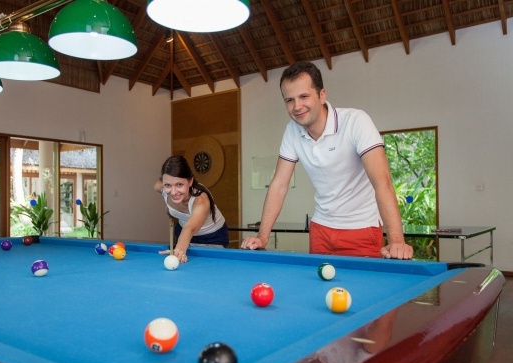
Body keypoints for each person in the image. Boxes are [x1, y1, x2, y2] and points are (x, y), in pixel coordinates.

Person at [241, 61, 413, 259]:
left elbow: (382, 183)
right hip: (320, 229)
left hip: (361, 229)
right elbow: (279, 185)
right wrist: (262, 237)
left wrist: (396, 241)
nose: (297, 106)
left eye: (304, 96)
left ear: (322, 95)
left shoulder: (356, 121)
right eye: (289, 100)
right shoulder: (292, 130)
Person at [155, 155, 229, 263]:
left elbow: (190, 228)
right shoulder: (162, 188)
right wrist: (170, 209)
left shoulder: (200, 200)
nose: (173, 192)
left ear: (190, 181)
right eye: (168, 185)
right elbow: (157, 184)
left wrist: (178, 250)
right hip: (182, 232)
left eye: (179, 184)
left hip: (211, 236)